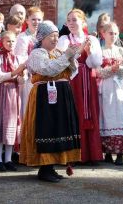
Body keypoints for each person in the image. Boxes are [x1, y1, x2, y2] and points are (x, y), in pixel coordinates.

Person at [20, 21, 82, 182]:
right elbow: (48, 69)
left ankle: (52, 166)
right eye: (51, 36)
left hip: (61, 95)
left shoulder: (58, 52)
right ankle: (44, 168)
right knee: (46, 128)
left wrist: (72, 56)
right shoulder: (37, 54)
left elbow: (72, 72)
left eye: (56, 36)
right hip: (44, 97)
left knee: (58, 128)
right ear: (42, 38)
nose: (55, 39)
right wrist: (67, 56)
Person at [56, 8, 103, 164]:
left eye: (74, 20)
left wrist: (89, 53)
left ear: (83, 22)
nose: (71, 23)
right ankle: (73, 154)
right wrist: (80, 50)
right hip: (71, 80)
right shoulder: (64, 40)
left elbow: (95, 64)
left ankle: (91, 153)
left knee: (90, 112)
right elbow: (63, 61)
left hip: (88, 81)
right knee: (72, 114)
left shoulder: (92, 39)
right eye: (68, 20)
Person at [0, 31, 26, 172]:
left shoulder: (17, 59)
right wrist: (15, 74)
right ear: (2, 42)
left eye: (13, 41)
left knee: (11, 124)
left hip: (13, 94)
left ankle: (8, 159)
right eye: (8, 41)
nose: (11, 44)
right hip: (0, 93)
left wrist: (21, 77)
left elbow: (22, 78)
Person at [97, 22, 123, 165]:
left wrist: (118, 69)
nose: (113, 36)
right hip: (106, 87)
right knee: (107, 116)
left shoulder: (121, 51)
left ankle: (120, 153)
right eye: (111, 33)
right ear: (103, 34)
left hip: (119, 88)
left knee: (121, 115)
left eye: (116, 33)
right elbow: (98, 72)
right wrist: (111, 69)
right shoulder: (99, 51)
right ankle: (107, 152)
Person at [14, 7, 44, 122]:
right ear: (27, 20)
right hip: (29, 77)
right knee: (29, 106)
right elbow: (21, 58)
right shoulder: (23, 38)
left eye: (39, 19)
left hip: (42, 76)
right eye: (33, 19)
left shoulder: (42, 36)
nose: (36, 22)